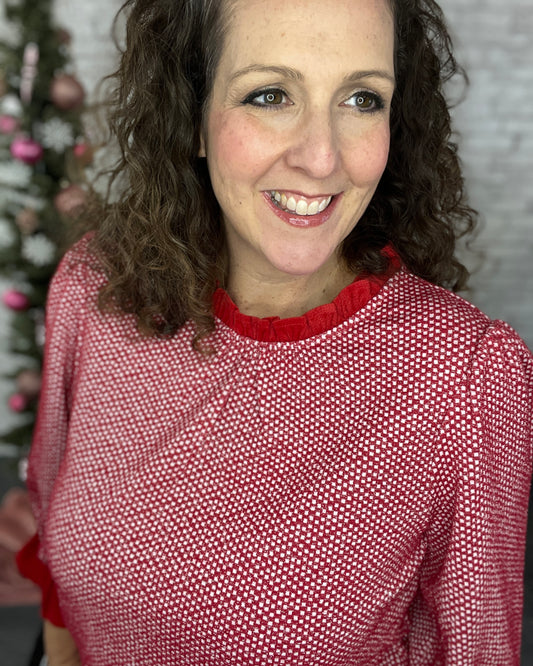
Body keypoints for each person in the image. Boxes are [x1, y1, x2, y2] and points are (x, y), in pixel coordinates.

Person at [16, 0, 533, 663]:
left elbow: (474, 650)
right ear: (193, 114)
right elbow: (57, 571)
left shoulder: (463, 375)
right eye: (269, 95)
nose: (321, 158)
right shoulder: (95, 288)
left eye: (362, 99)